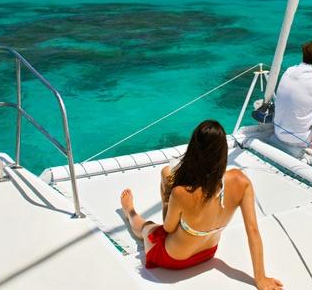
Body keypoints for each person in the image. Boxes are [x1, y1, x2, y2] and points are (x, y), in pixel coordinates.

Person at [120, 120, 283, 290]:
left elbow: (167, 229)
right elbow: (253, 230)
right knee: (167, 176)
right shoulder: (241, 181)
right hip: (207, 253)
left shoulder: (182, 192)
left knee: (148, 227)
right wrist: (260, 278)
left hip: (173, 259)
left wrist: (167, 197)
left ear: (194, 151)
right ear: (223, 152)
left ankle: (129, 211)